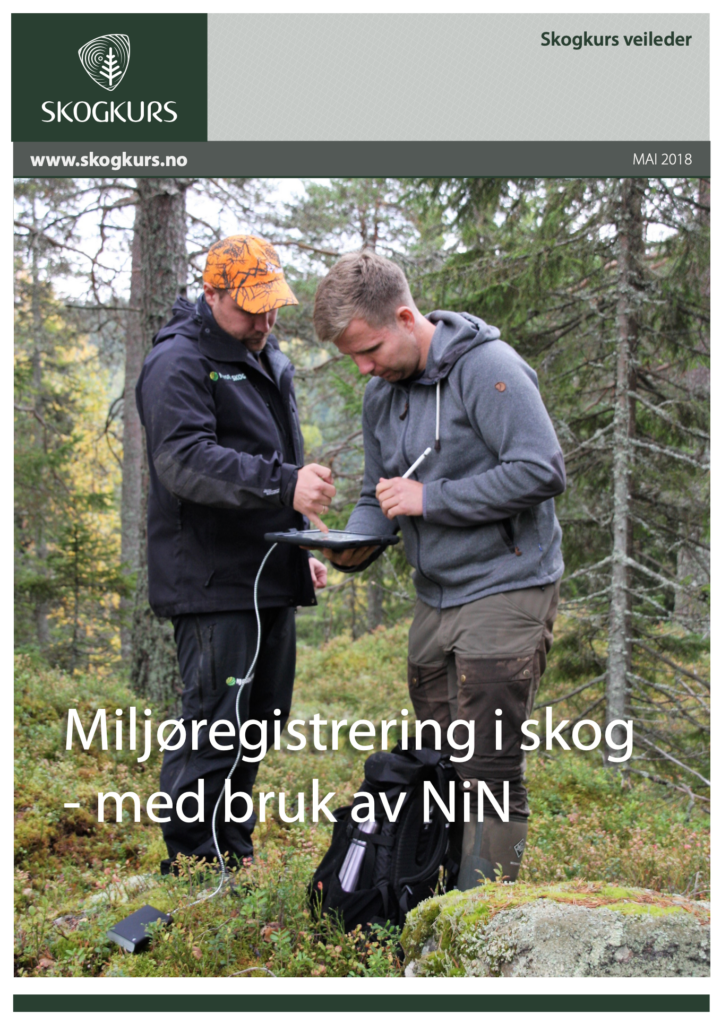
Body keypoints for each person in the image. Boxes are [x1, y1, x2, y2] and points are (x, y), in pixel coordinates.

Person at [312, 250, 565, 887]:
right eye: (352, 358)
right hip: (436, 597)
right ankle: (436, 897)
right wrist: (348, 544)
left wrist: (433, 500)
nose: (364, 367)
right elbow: (377, 494)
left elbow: (541, 469)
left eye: (369, 350)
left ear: (405, 318)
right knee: (443, 763)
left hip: (507, 584)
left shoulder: (489, 368)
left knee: (489, 768)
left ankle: (484, 920)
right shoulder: (381, 394)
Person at [136, 234, 335, 875]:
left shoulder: (264, 353)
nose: (265, 319)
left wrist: (297, 540)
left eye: (272, 304)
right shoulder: (179, 360)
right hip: (211, 581)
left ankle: (232, 853)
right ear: (212, 292)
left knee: (260, 720)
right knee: (214, 726)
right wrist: (284, 485)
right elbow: (184, 462)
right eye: (251, 307)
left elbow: (271, 454)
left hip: (267, 572)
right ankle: (195, 864)